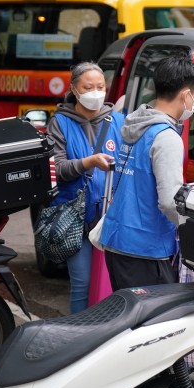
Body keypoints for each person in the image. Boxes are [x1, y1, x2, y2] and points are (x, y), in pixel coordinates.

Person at [100, 53, 194, 289]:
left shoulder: (135, 123)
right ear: (186, 95)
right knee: (152, 314)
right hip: (146, 248)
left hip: (118, 238)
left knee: (128, 310)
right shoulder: (166, 137)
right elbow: (169, 202)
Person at [46, 61, 124, 313]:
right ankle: (78, 332)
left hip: (111, 218)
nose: (95, 92)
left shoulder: (119, 121)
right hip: (77, 218)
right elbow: (57, 170)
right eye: (88, 87)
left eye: (100, 87)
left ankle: (108, 332)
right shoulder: (60, 123)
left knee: (113, 285)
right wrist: (88, 162)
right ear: (74, 89)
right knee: (82, 284)